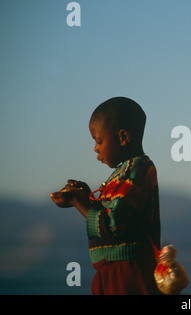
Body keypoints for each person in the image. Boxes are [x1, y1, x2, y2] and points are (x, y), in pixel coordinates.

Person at [50, 97, 161, 295]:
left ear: (123, 137)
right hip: (111, 270)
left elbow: (113, 224)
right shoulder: (124, 172)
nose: (95, 148)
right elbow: (111, 212)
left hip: (128, 273)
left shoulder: (137, 170)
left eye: (99, 141)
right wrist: (86, 196)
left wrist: (77, 201)